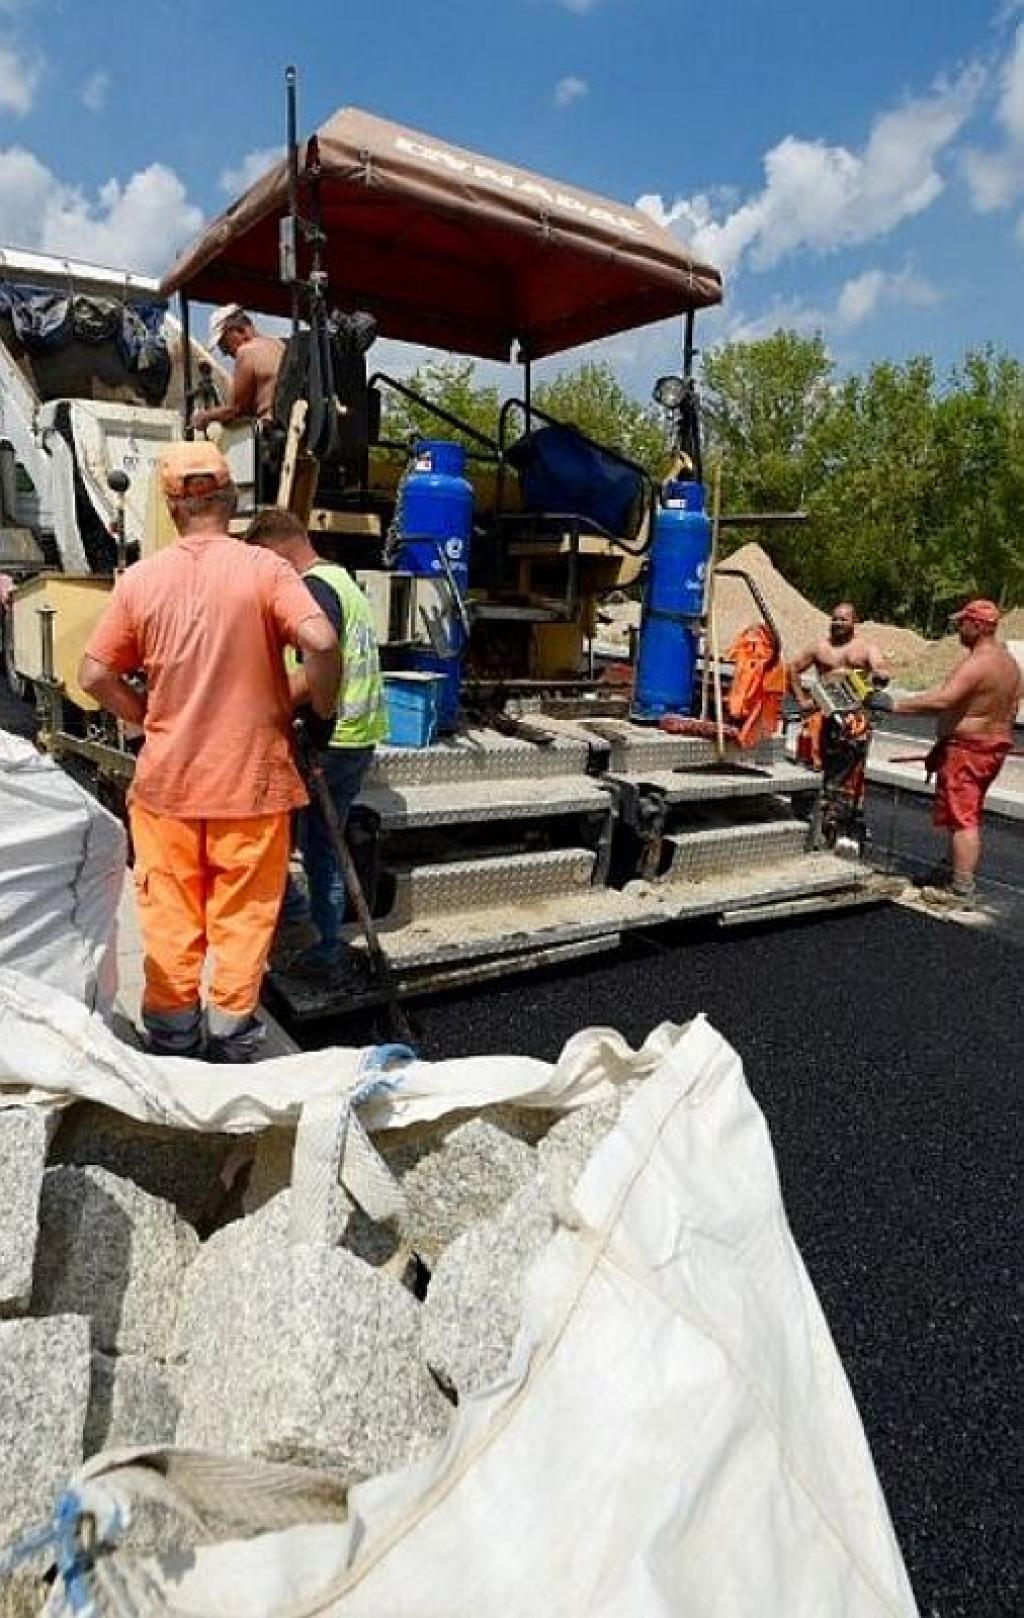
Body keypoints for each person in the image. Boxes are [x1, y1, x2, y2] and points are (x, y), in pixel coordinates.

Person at [78, 442, 339, 1060]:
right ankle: (230, 1034)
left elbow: (93, 675)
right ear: (230, 501)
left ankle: (172, 1034)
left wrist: (146, 716)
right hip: (251, 783)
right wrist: (323, 704)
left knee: (170, 913)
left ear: (173, 507)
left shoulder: (141, 580)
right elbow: (322, 640)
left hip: (168, 783)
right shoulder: (266, 571)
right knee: (243, 917)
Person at [245, 507, 388, 977]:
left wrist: (256, 709)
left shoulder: (311, 589)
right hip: (357, 733)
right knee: (324, 842)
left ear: (276, 550)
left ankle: (315, 942)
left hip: (329, 735)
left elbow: (316, 669)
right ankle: (318, 939)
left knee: (275, 837)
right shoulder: (341, 580)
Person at [870, 599, 1021, 909]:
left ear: (976, 625)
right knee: (965, 812)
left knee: (963, 817)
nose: (958, 629)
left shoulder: (978, 663)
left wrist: (894, 704)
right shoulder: (1008, 663)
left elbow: (943, 700)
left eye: (962, 623)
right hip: (991, 747)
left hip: (969, 750)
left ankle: (961, 888)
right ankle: (951, 870)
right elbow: (1012, 705)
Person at [192, 305, 285, 431]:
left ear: (239, 330)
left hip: (269, 432)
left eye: (224, 344)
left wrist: (205, 416)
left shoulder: (247, 351)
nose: (225, 353)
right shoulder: (279, 345)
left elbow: (236, 410)